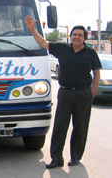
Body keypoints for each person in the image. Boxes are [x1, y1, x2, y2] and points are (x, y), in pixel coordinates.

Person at [24, 16, 101, 169]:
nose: (76, 37)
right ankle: (57, 159)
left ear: (84, 38)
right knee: (60, 127)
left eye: (80, 35)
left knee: (80, 127)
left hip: (83, 94)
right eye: (74, 34)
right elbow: (43, 43)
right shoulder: (63, 49)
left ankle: (76, 157)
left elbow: (96, 74)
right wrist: (32, 29)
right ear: (70, 36)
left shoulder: (90, 53)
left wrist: (91, 94)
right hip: (65, 93)